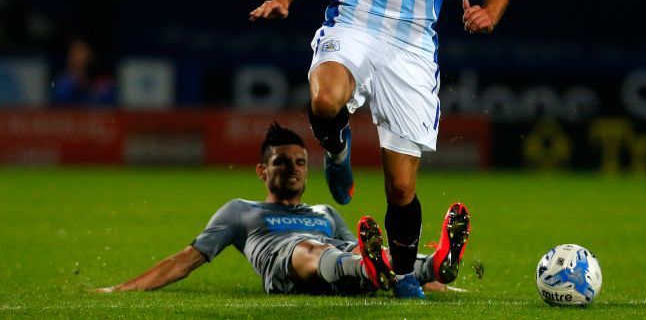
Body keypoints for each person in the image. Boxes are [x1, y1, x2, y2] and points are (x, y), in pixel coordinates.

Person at [249, 0, 512, 298]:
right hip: (352, 27)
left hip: (412, 45)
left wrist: (490, 14)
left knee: (401, 189)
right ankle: (337, 149)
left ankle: (406, 271)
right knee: (326, 100)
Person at [95, 122, 471, 296]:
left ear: (308, 170)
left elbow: (362, 248)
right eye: (281, 162)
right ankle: (378, 270)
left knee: (358, 251)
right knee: (313, 249)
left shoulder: (324, 211)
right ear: (262, 171)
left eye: (300, 162)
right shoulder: (240, 211)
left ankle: (432, 265)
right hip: (286, 264)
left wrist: (437, 286)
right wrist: (121, 289)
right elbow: (187, 259)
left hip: (341, 267)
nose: (292, 169)